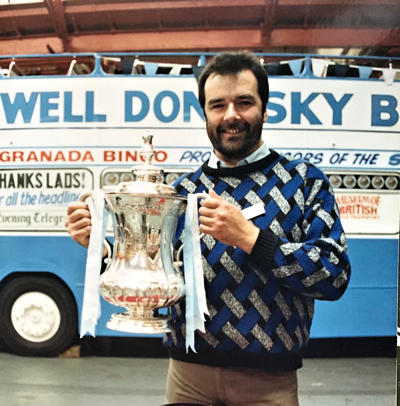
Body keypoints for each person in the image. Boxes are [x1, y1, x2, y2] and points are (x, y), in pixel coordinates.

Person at [65, 51, 351, 406]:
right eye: (218, 105)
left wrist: (250, 238)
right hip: (189, 380)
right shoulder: (181, 193)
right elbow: (158, 274)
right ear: (205, 114)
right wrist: (103, 250)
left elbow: (334, 276)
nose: (231, 115)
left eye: (244, 102)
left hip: (269, 385)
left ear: (264, 108)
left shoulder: (304, 182)